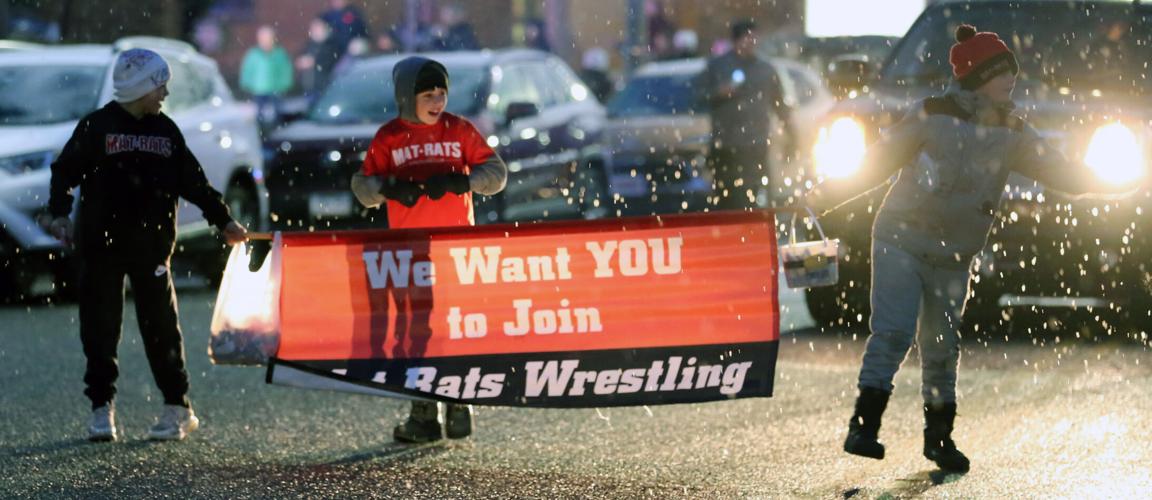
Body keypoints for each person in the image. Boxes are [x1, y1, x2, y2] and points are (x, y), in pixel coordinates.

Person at [804, 25, 1143, 472]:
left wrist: (1121, 183)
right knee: (894, 333)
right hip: (901, 239)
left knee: (942, 347)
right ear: (979, 75)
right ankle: (864, 427)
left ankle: (939, 439)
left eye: (1012, 74)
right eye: (1003, 73)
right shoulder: (931, 114)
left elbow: (1062, 172)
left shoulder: (1012, 131)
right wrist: (822, 199)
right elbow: (876, 163)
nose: (1012, 81)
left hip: (953, 253)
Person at [47, 48, 249, 442]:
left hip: (152, 247)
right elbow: (64, 172)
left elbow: (193, 181)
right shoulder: (97, 128)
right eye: (159, 84)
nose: (165, 93)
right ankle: (101, 408)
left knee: (160, 327)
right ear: (140, 87)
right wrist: (57, 213)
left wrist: (222, 219)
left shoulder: (165, 131)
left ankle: (178, 406)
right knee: (100, 327)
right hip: (99, 246)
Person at [349, 56, 507, 443]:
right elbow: (362, 188)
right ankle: (424, 413)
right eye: (428, 95)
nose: (438, 101)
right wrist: (387, 188)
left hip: (455, 249)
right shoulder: (389, 137)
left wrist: (461, 182)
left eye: (442, 93)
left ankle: (458, 403)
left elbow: (497, 175)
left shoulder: (459, 130)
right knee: (415, 328)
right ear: (406, 96)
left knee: (455, 325)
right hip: (409, 253)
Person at [695, 20, 792, 211]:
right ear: (735, 40)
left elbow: (780, 104)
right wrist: (718, 93)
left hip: (755, 143)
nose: (751, 42)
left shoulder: (765, 69)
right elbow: (698, 95)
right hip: (726, 144)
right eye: (746, 38)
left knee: (757, 194)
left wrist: (790, 132)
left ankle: (755, 234)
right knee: (728, 198)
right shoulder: (718, 66)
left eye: (753, 38)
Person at [239, 25, 293, 129]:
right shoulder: (253, 54)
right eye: (262, 38)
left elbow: (285, 69)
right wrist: (246, 83)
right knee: (259, 113)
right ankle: (261, 130)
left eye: (268, 38)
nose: (265, 41)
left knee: (278, 111)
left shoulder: (279, 53)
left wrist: (285, 83)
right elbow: (247, 70)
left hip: (276, 88)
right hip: (259, 89)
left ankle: (277, 129)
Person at [296, 18, 342, 101]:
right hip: (308, 87)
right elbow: (299, 59)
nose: (314, 31)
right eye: (313, 29)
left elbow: (330, 62)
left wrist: (313, 62)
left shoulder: (330, 45)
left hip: (324, 87)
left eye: (317, 29)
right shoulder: (309, 45)